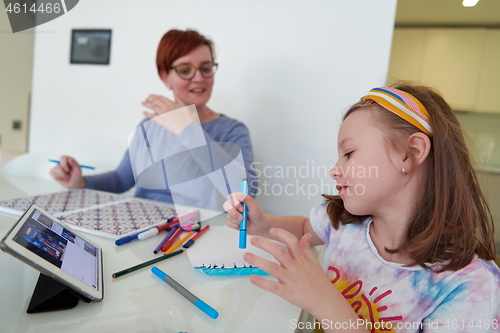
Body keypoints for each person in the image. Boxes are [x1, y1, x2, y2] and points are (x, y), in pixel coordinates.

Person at [224, 82, 500, 332]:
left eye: (348, 154)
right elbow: (306, 229)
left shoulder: (469, 285)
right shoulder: (345, 222)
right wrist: (262, 223)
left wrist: (324, 302)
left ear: (411, 152)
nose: (334, 170)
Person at [50, 29, 258, 210]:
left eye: (206, 68)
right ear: (164, 77)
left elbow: (247, 192)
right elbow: (121, 179)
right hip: (145, 226)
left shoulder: (231, 130)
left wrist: (188, 129)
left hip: (199, 232)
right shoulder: (149, 127)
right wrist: (80, 182)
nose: (199, 78)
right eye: (185, 70)